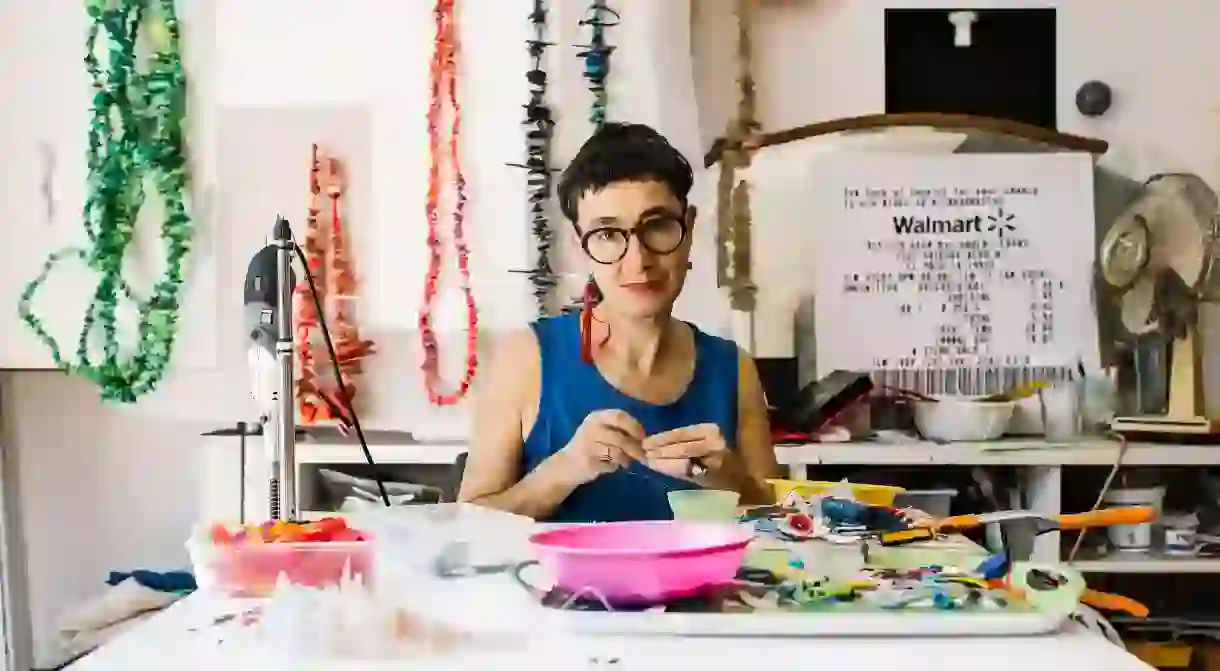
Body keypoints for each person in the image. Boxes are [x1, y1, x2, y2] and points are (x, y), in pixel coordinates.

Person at [458, 122, 778, 522]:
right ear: (580, 248)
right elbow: (467, 527)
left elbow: (779, 528)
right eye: (608, 234)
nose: (638, 260)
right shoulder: (526, 358)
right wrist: (565, 470)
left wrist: (730, 479)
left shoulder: (734, 369)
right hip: (555, 587)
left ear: (690, 228)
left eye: (657, 225)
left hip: (700, 587)